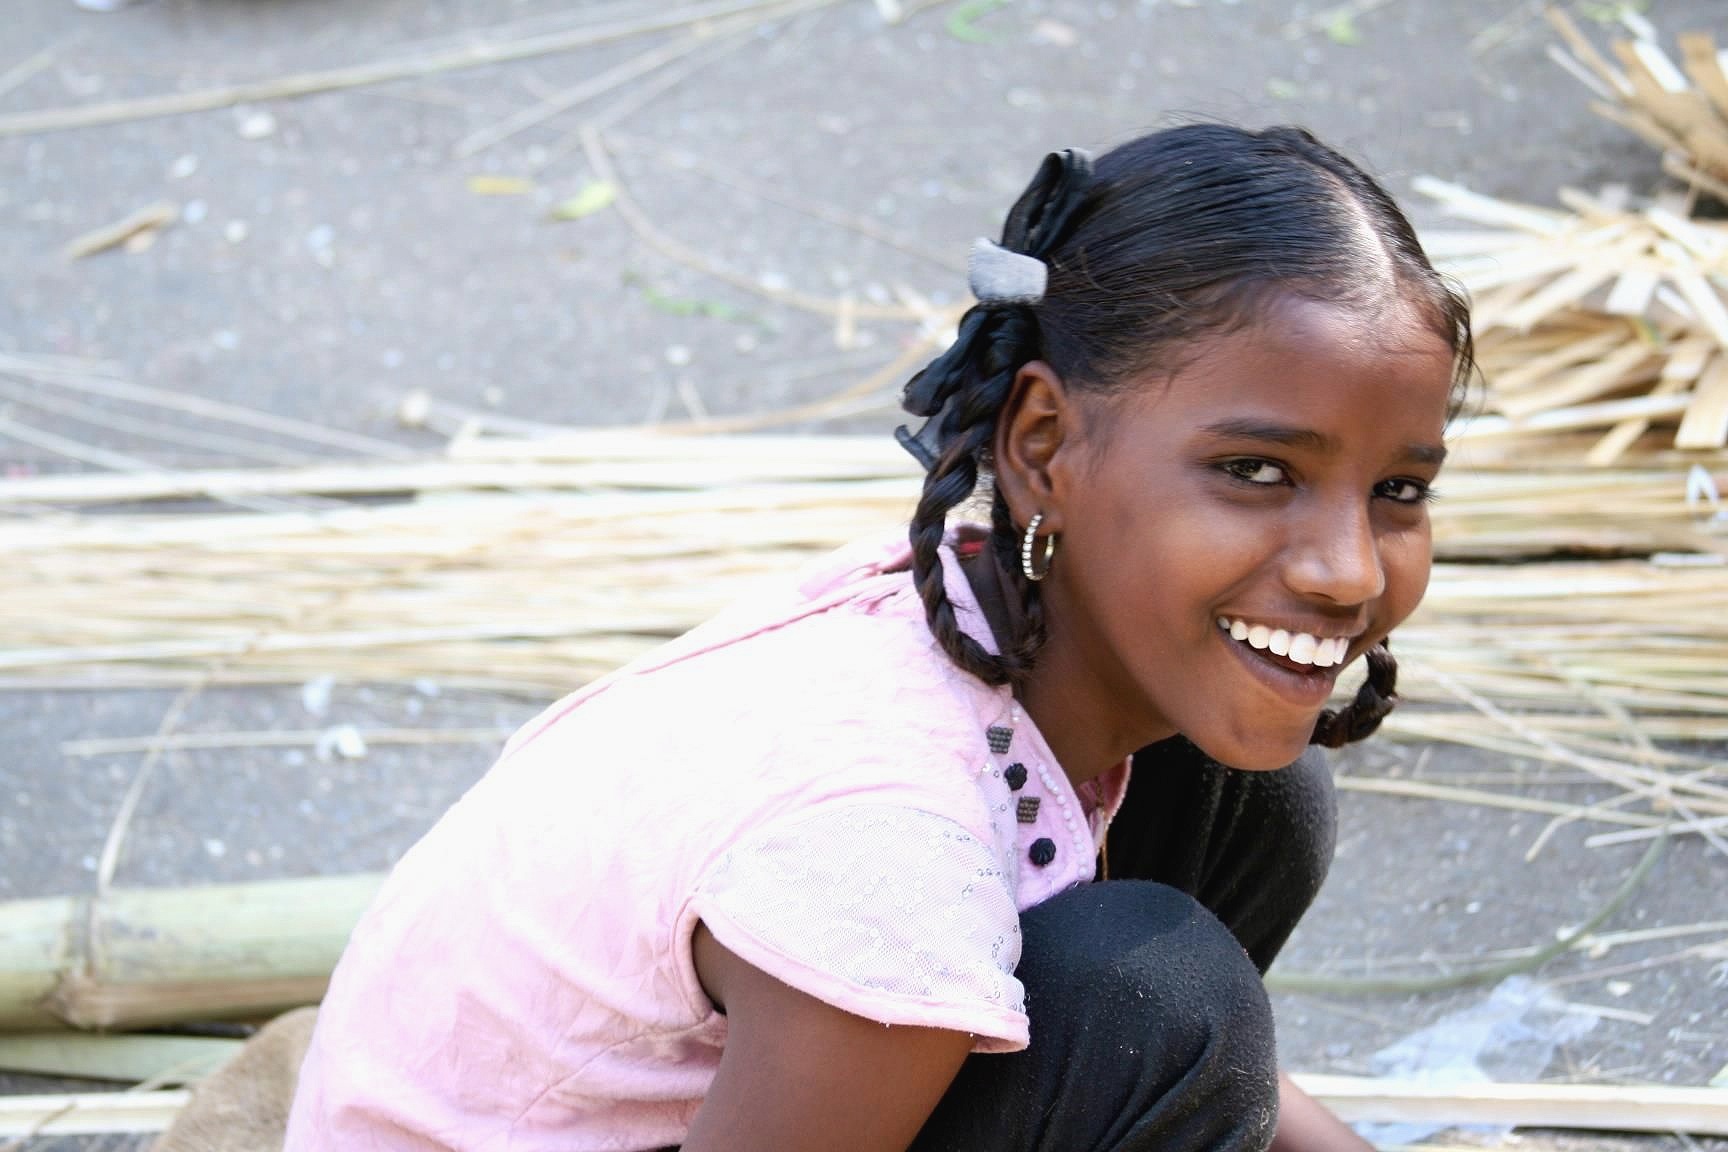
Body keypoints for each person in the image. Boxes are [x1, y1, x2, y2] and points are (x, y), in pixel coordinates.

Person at [283, 123, 1472, 1152]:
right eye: (1255, 472)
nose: (1349, 569)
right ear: (1043, 444)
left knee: (1252, 805)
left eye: (1399, 492)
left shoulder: (982, 626)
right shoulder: (886, 857)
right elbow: (1157, 1044)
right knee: (1153, 1001)